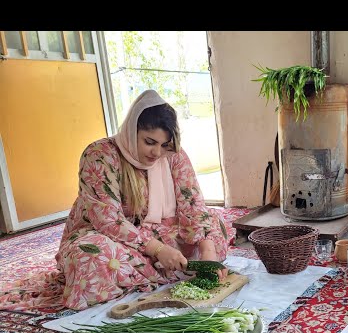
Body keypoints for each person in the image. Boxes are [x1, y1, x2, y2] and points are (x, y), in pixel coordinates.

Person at [1, 89, 229, 311]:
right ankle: (158, 271)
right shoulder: (100, 154)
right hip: (108, 235)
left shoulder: (173, 154)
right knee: (93, 256)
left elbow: (193, 205)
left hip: (158, 232)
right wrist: (158, 250)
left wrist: (208, 253)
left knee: (213, 227)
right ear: (132, 131)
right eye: (149, 142)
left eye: (163, 144)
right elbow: (108, 221)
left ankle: (147, 274)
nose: (156, 153)